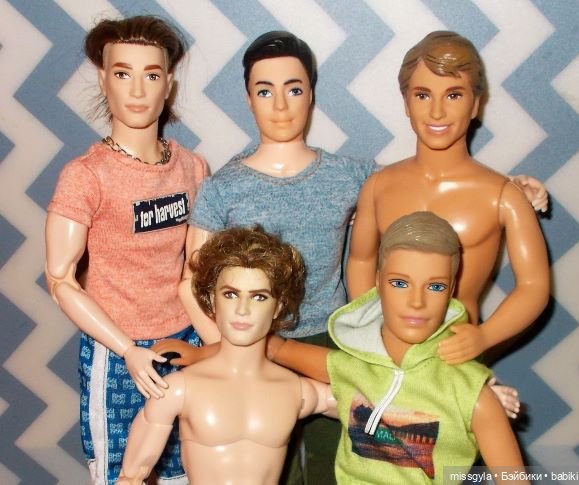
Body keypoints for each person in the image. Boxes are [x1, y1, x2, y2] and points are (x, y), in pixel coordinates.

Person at [173, 30, 543, 484]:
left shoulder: (350, 175)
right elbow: (197, 281)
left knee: (359, 460)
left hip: (359, 344)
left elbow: (431, 185)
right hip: (274, 342)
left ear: (311, 94)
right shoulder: (226, 188)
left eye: (294, 89)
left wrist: (512, 188)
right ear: (248, 98)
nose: (281, 105)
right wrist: (226, 353)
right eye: (265, 91)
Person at [44, 16, 209, 484]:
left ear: (168, 85)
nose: (137, 90)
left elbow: (197, 269)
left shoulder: (192, 168)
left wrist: (216, 347)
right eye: (122, 73)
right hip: (116, 352)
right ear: (104, 80)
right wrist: (127, 350)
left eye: (151, 75)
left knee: (187, 468)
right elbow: (60, 279)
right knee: (120, 473)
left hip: (185, 343)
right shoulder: (86, 176)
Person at [267, 212, 529, 484]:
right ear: (378, 282)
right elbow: (277, 349)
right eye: (400, 283)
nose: (417, 302)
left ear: (451, 290)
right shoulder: (352, 367)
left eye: (435, 286)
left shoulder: (469, 394)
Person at [346, 31, 550, 365]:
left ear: (475, 104)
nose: (437, 112)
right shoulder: (379, 186)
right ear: (407, 103)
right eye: (423, 95)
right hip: (387, 351)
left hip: (453, 356)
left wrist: (485, 336)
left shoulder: (501, 196)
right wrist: (369, 325)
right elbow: (360, 261)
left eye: (453, 95)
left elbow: (534, 286)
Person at [116, 226, 336, 485]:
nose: (242, 310)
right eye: (231, 294)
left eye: (259, 297)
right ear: (212, 300)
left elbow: (366, 398)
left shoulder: (296, 391)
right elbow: (130, 477)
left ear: (277, 307)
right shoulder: (179, 390)